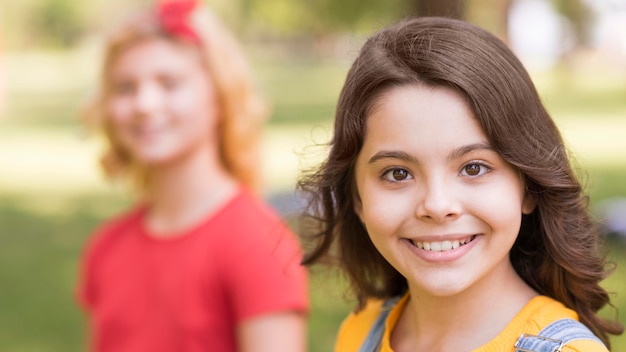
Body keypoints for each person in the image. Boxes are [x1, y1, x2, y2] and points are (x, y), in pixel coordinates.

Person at [297, 17, 623, 351]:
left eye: (474, 168)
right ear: (356, 198)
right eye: (398, 173)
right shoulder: (359, 333)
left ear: (528, 186)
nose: (437, 206)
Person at [76, 1, 308, 351]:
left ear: (219, 97)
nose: (144, 103)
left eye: (169, 83)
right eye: (125, 88)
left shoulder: (258, 244)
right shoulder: (105, 247)